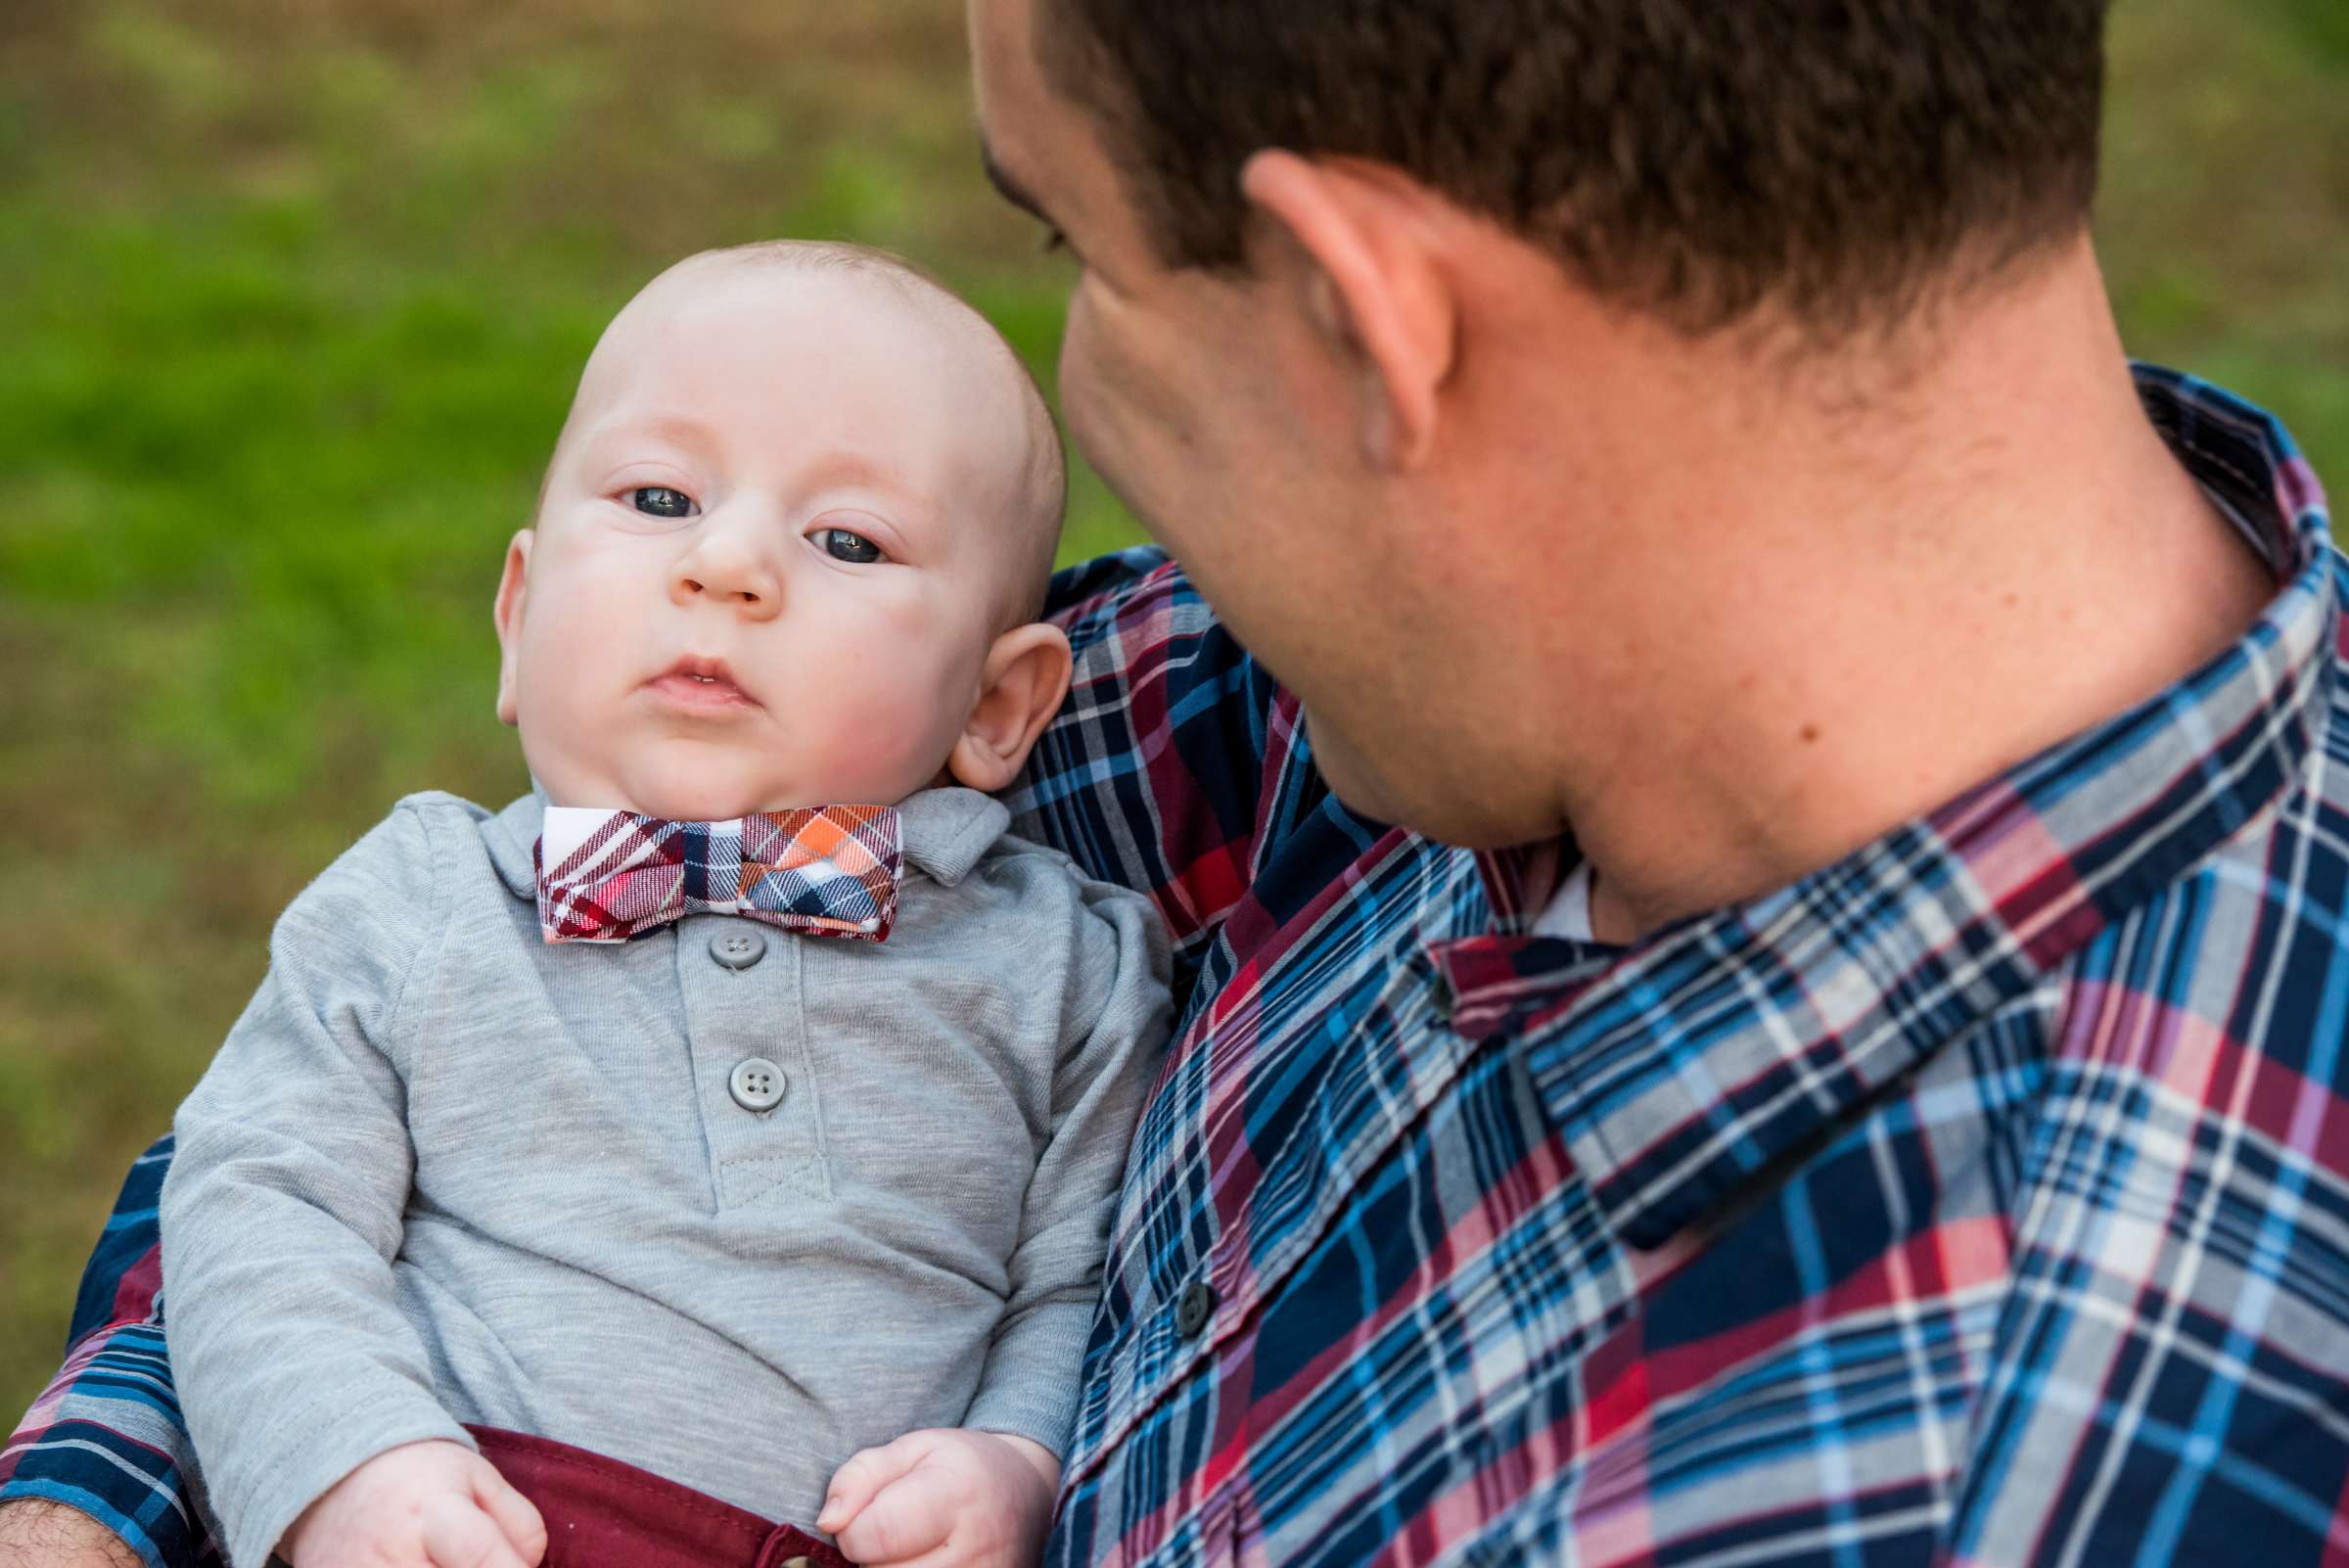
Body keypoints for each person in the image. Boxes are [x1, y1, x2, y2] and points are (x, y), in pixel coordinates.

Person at [7, 0, 2346, 1564]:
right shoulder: (1335, 678)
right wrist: (123, 1490)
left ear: (1369, 322)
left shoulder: (1992, 1473)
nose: (1086, 395)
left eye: (1069, 250)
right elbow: (418, 1067)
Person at [65, 239, 1173, 1568]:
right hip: (468, 1514)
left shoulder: (1065, 963)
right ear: (519, 617)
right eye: (659, 495)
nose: (727, 563)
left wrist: (1013, 1458)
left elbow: (1078, 1287)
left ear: (997, 709)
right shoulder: (420, 902)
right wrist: (347, 1455)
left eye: (844, 538)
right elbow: (256, 1196)